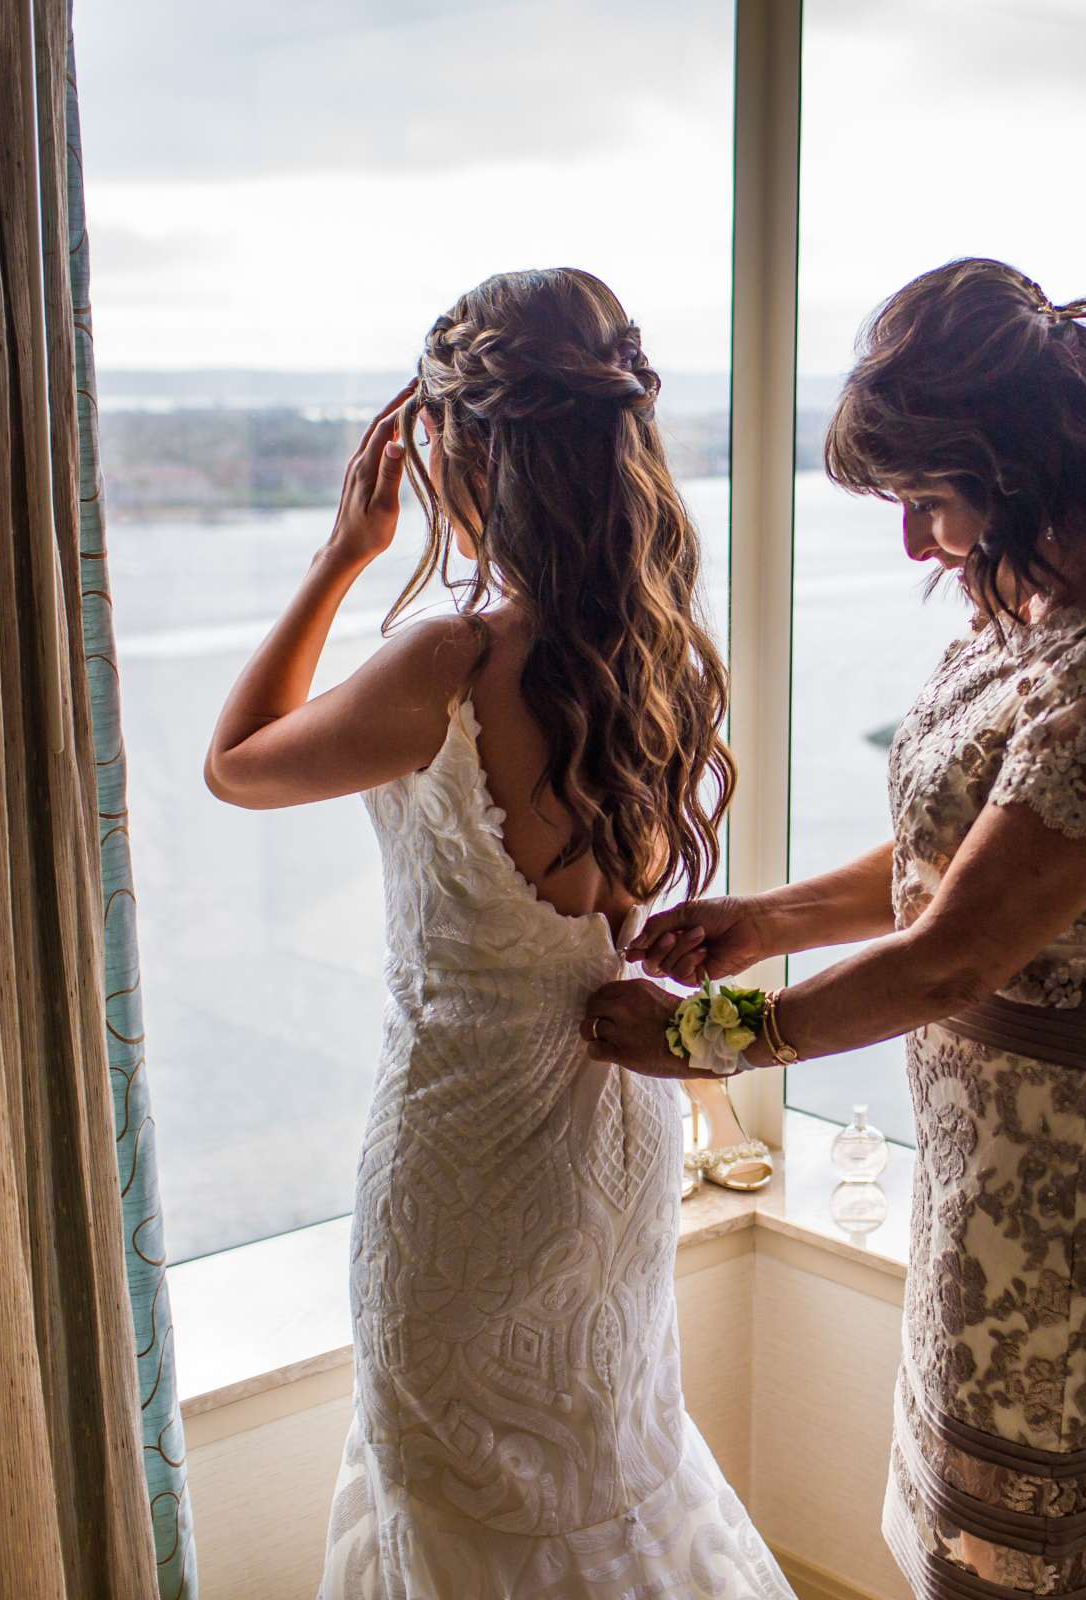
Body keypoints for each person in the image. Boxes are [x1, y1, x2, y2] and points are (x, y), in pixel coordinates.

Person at [587, 258, 1086, 1598]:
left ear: (1012, 472)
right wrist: (766, 918)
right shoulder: (1062, 591)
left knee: (1031, 1560)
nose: (914, 544)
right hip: (1004, 1148)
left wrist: (707, 1039)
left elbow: (959, 950)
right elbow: (965, 862)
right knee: (974, 1523)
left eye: (926, 502)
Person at [206, 267, 791, 1599]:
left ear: (468, 459)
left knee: (459, 1508)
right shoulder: (654, 652)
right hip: (611, 1158)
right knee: (612, 1474)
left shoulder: (449, 667)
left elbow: (236, 761)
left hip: (463, 1167)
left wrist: (342, 556)